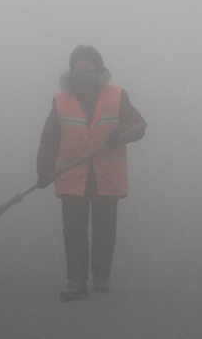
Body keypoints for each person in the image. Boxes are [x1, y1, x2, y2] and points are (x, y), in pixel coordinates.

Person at [36, 45, 146, 301]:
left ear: (99, 70)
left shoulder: (117, 95)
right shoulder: (61, 99)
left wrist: (120, 135)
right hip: (71, 175)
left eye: (88, 68)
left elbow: (139, 125)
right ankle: (76, 281)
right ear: (71, 72)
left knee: (104, 229)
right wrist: (43, 169)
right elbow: (49, 139)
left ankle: (101, 276)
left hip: (106, 176)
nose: (83, 73)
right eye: (78, 69)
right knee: (73, 229)